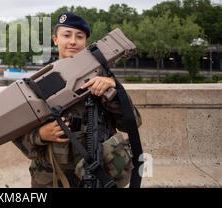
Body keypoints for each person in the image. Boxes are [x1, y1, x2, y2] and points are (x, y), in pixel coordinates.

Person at [12, 12, 142, 188]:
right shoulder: (37, 84)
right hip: (50, 178)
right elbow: (15, 134)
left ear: (86, 42)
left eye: (79, 36)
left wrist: (113, 90)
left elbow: (132, 123)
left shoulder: (101, 77)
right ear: (55, 39)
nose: (73, 41)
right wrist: (41, 134)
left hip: (98, 174)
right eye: (66, 35)